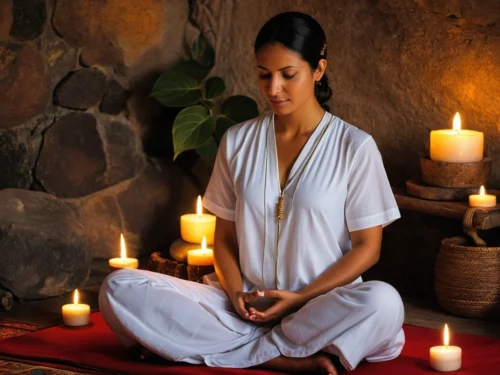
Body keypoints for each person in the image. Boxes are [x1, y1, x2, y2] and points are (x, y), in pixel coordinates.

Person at [99, 11, 405, 375]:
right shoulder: (238, 142)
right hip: (242, 307)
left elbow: (367, 248)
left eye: (288, 75)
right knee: (118, 287)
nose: (273, 89)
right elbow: (224, 239)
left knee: (384, 303)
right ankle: (284, 358)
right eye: (263, 75)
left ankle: (216, 347)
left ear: (318, 69)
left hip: (319, 307)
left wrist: (298, 300)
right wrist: (235, 297)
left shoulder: (354, 147)